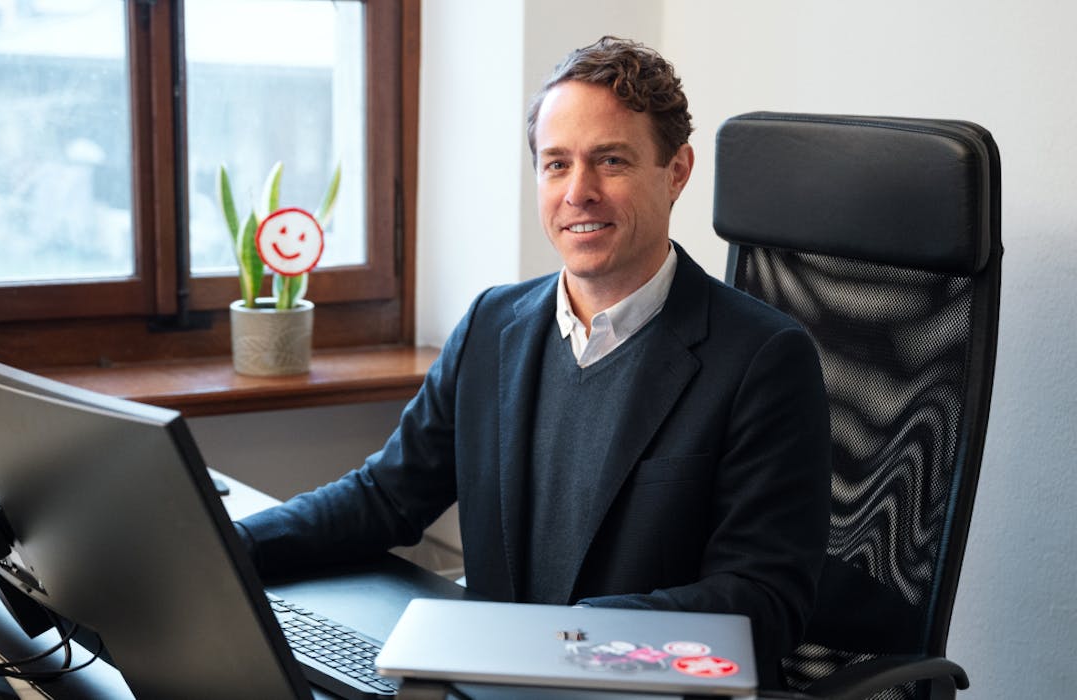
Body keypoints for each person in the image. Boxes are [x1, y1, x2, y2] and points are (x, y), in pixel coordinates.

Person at [237, 36, 831, 684]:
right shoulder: (493, 326)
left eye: (610, 161)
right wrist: (232, 544)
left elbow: (759, 603)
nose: (579, 192)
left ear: (677, 171)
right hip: (497, 685)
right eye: (556, 164)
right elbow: (386, 497)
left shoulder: (763, 360)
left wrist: (555, 647)